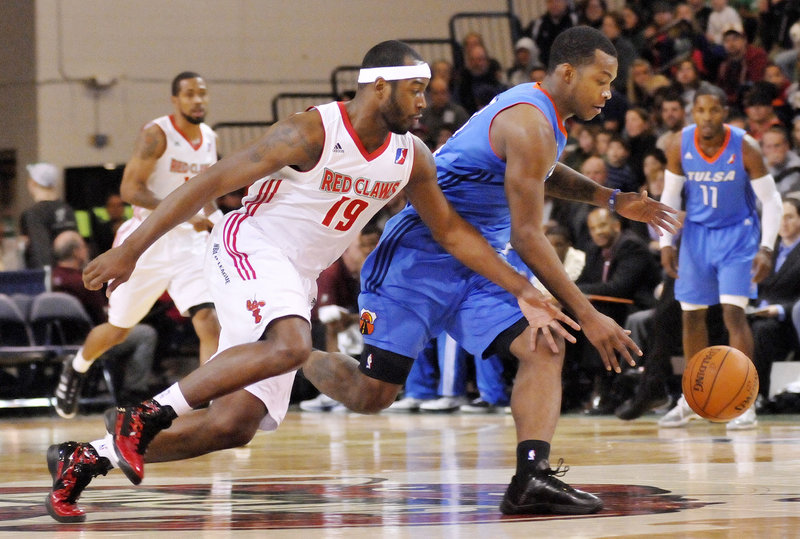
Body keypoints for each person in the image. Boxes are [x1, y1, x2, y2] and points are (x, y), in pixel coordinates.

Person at [44, 40, 581, 523]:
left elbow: (450, 231)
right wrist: (129, 250)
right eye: (416, 90)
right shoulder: (309, 132)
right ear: (379, 86)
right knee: (291, 343)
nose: (425, 102)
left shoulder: (410, 156)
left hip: (295, 274)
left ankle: (86, 457)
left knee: (232, 425)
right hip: (249, 243)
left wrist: (522, 287)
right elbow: (209, 182)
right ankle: (141, 417)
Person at [51, 71, 221, 420]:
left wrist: (218, 222)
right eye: (189, 94)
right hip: (147, 240)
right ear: (175, 100)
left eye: (202, 94)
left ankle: (215, 404)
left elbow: (208, 194)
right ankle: (77, 366)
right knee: (118, 330)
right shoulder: (156, 135)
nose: (197, 100)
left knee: (209, 320)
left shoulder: (209, 138)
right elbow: (131, 190)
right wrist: (184, 214)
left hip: (191, 244)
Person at [657, 83, 783, 430]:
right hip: (697, 236)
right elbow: (670, 196)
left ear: (725, 114)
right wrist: (667, 242)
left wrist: (767, 248)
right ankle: (693, 397)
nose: (707, 117)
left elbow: (771, 202)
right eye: (701, 110)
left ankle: (745, 399)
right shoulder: (678, 144)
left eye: (714, 110)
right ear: (692, 113)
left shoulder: (745, 146)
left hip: (737, 235)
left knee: (733, 313)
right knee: (691, 317)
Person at [51, 231, 159, 405]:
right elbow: (104, 316)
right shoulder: (84, 280)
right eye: (84, 246)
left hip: (63, 338)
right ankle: (133, 392)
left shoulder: (52, 277)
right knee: (145, 333)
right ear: (77, 252)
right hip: (89, 338)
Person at [749, 197, 800, 403]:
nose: (783, 223)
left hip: (788, 321)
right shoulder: (768, 251)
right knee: (731, 323)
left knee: (763, 331)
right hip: (759, 313)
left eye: (789, 217)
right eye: (780, 217)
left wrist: (779, 309)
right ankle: (728, 386)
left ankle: (758, 393)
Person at [18, 162, 78, 269]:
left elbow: (40, 252)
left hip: (49, 278)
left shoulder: (33, 214)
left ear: (32, 183)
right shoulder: (67, 209)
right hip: (73, 275)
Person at [761, 125, 800, 197]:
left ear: (786, 146)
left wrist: (768, 169)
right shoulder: (760, 162)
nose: (773, 151)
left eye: (777, 145)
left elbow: (779, 195)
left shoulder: (796, 166)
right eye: (768, 147)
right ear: (763, 149)